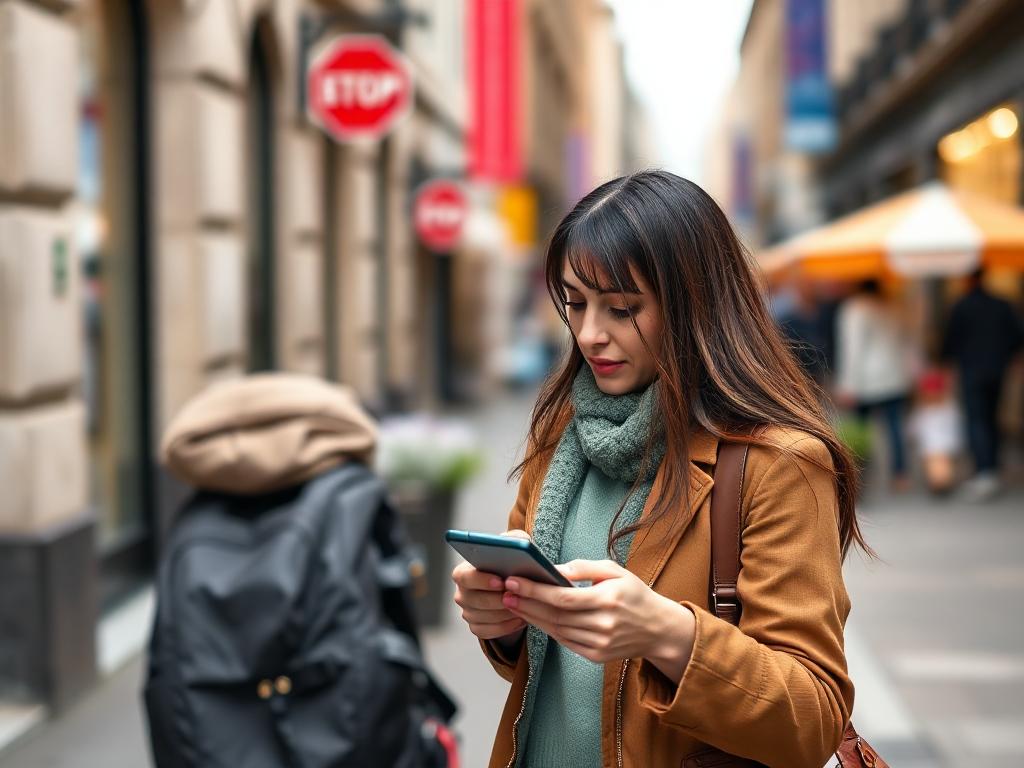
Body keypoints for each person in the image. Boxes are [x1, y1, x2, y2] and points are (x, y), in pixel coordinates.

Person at [451, 171, 869, 768]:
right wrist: (503, 621)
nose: (591, 334)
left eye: (622, 309)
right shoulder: (562, 432)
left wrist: (668, 634)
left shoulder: (778, 461)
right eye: (574, 303)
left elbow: (812, 719)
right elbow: (549, 672)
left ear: (694, 303)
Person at [941, 269, 1024, 500]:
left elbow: (950, 341)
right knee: (992, 417)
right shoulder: (1002, 304)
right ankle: (993, 467)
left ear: (968, 279)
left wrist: (947, 365)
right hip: (998, 370)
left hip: (971, 371)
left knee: (977, 420)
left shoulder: (961, 306)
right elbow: (1017, 336)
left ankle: (985, 471)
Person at [834, 279, 916, 491]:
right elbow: (905, 341)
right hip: (894, 375)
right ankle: (900, 475)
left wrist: (848, 385)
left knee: (861, 428)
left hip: (866, 380)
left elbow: (853, 349)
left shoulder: (854, 309)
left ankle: (861, 475)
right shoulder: (893, 307)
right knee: (895, 426)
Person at [907, 368, 962, 494]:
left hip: (945, 445)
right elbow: (913, 428)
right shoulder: (921, 410)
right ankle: (937, 482)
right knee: (934, 464)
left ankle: (942, 481)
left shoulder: (949, 408)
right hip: (929, 446)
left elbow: (956, 426)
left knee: (941, 464)